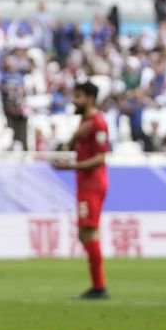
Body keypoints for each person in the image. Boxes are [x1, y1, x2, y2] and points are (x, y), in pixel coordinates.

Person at [53, 81, 110, 299]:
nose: (73, 101)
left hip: (93, 183)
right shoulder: (84, 122)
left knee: (88, 231)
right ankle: (98, 285)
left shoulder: (98, 123)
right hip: (85, 182)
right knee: (84, 232)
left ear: (89, 99)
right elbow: (70, 148)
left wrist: (71, 166)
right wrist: (75, 138)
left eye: (78, 97)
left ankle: (99, 287)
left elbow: (100, 158)